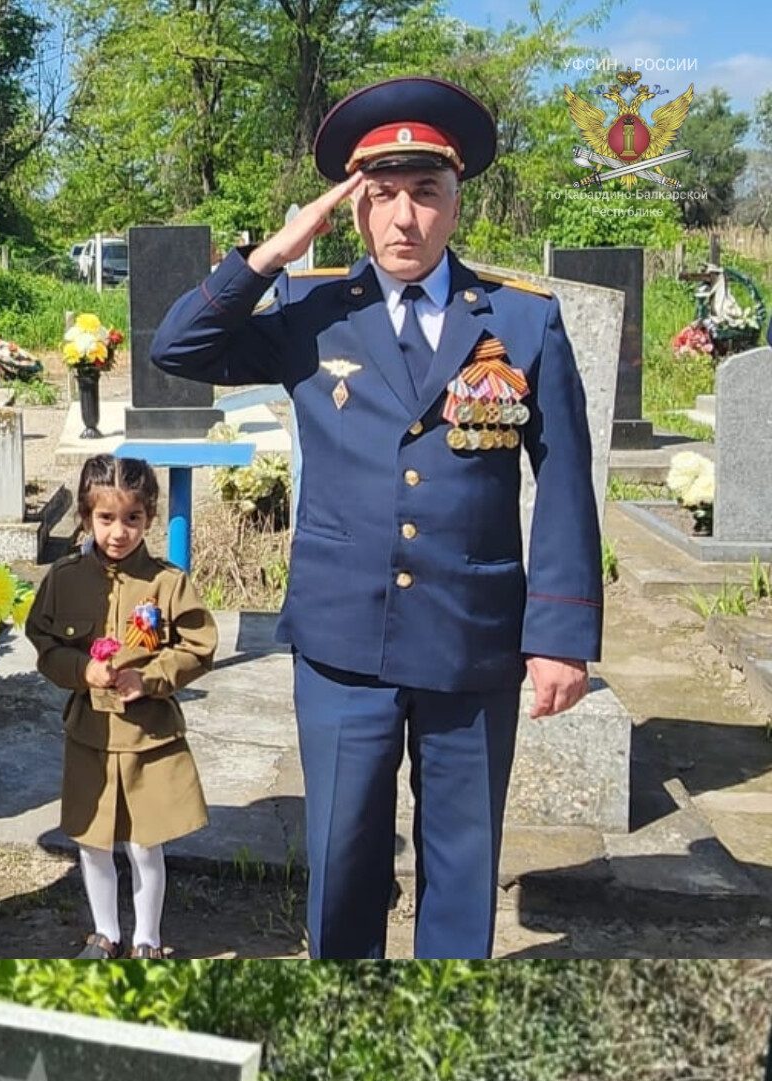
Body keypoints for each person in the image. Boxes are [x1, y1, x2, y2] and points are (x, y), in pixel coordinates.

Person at [150, 77, 602, 959]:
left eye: (425, 193)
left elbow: (567, 482)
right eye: (382, 194)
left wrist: (562, 634)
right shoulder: (313, 310)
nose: (404, 217)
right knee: (344, 856)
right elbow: (178, 349)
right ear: (354, 210)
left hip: (471, 634)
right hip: (343, 638)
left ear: (457, 198)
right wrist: (271, 254)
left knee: (463, 863)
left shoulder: (521, 319)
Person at [26, 455, 217, 959]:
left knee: (144, 844)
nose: (118, 532)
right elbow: (43, 639)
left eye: (132, 518)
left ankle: (147, 940)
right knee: (93, 841)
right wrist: (79, 670)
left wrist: (149, 678)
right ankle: (104, 933)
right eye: (106, 519)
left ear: (149, 517)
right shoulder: (64, 578)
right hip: (91, 735)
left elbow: (199, 647)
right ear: (86, 518)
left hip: (149, 738)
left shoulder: (167, 582)